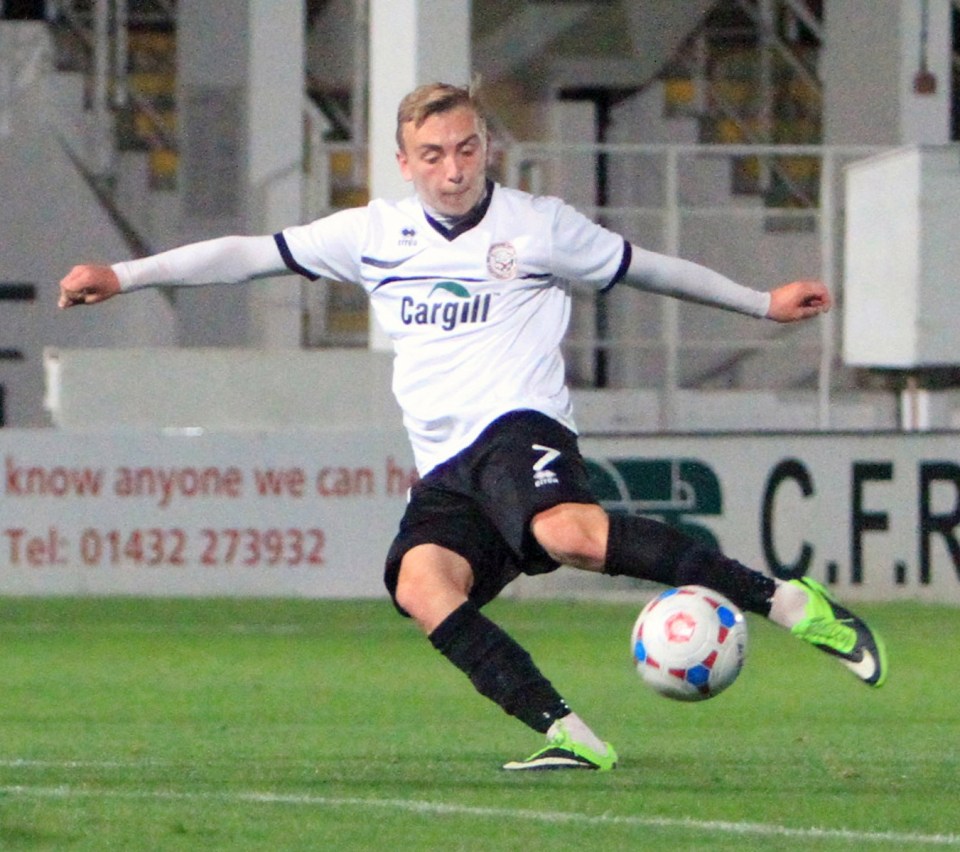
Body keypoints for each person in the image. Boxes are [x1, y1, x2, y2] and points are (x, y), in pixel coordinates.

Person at [59, 80, 887, 772]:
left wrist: (760, 303)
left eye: (465, 149)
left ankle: (784, 603)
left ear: (487, 147)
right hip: (447, 465)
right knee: (420, 586)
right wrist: (122, 276)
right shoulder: (372, 234)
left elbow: (650, 269)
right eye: (432, 155)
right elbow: (246, 252)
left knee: (570, 532)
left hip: (520, 427)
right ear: (403, 162)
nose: (451, 170)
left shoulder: (539, 225)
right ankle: (567, 733)